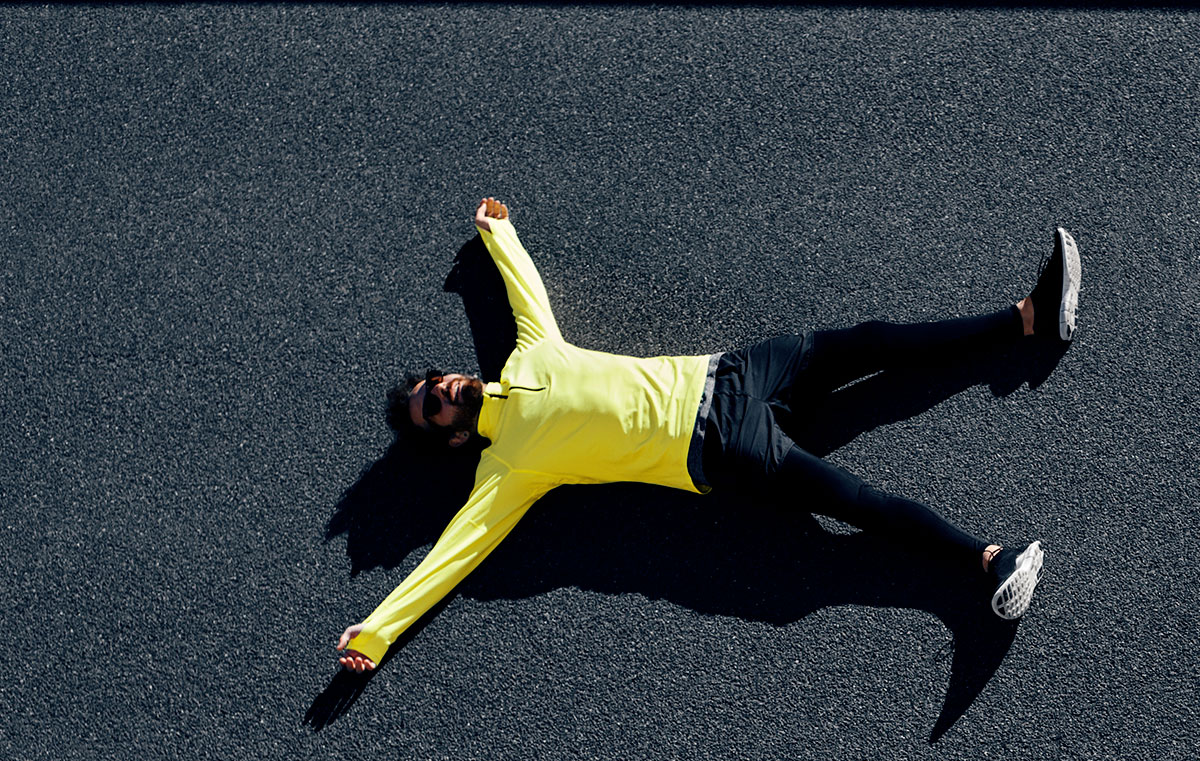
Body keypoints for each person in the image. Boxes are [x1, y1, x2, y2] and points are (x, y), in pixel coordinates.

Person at [336, 197, 1081, 673]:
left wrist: (497, 233)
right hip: (717, 449)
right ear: (454, 438)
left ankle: (1028, 317)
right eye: (434, 410)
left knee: (871, 342)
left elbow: (521, 290)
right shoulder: (507, 469)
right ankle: (990, 564)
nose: (442, 393)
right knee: (854, 502)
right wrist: (375, 633)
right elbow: (450, 557)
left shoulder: (528, 352)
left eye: (434, 384)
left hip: (731, 373)